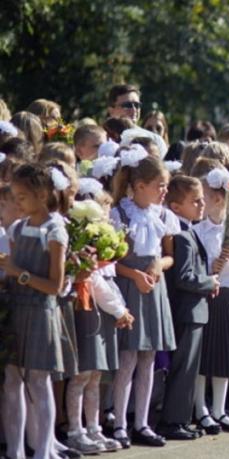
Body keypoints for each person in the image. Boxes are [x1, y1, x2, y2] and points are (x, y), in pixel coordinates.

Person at [109, 149, 179, 448]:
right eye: (160, 186)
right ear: (140, 186)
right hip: (130, 288)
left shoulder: (163, 215)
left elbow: (169, 257)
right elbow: (110, 261)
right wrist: (135, 274)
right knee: (128, 358)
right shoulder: (119, 214)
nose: (165, 191)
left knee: (149, 357)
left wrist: (158, 265)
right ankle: (120, 422)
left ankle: (142, 422)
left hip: (154, 289)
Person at [1, 164, 70, 459]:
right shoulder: (17, 228)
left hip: (42, 311)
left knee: (40, 382)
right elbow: (12, 275)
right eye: (14, 197)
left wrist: (19, 273)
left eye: (22, 196)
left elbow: (55, 285)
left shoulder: (54, 231)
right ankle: (16, 452)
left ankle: (43, 451)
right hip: (17, 308)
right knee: (13, 381)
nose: (17, 202)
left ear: (42, 195)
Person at [66, 186, 132, 453]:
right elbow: (94, 281)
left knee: (95, 375)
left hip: (101, 310)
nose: (107, 222)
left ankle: (94, 428)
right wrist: (119, 310)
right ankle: (74, 429)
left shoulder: (102, 244)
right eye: (103, 217)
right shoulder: (83, 243)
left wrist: (118, 308)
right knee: (82, 374)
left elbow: (108, 280)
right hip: (87, 309)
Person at [157, 176, 220, 441]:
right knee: (183, 369)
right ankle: (172, 420)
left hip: (194, 310)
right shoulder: (182, 235)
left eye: (202, 199)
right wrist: (209, 281)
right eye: (195, 201)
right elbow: (183, 277)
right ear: (175, 207)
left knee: (188, 368)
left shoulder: (189, 229)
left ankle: (180, 419)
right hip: (187, 310)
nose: (201, 204)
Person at [192, 168, 229, 434]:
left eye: (204, 196)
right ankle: (200, 409)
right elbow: (191, 266)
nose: (201, 201)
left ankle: (219, 408)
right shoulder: (198, 230)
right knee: (203, 357)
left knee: (224, 358)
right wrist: (210, 266)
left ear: (218, 199)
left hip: (227, 296)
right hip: (205, 296)